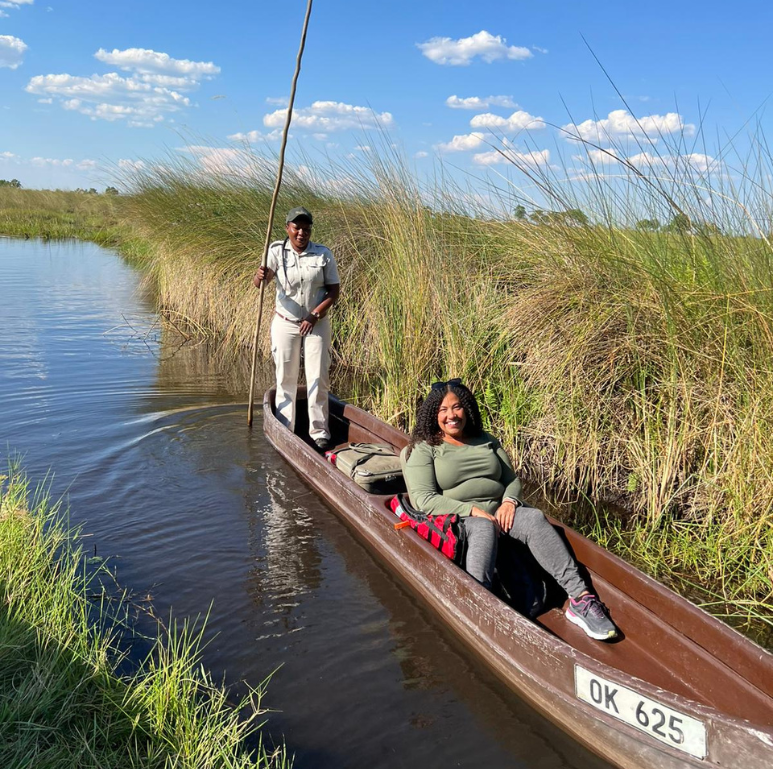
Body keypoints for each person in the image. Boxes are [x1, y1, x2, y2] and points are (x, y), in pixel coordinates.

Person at [402, 379, 617, 641]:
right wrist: (471, 511)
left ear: (467, 408)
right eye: (443, 410)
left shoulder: (486, 441)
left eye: (457, 407)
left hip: (500, 510)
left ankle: (581, 600)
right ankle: (477, 602)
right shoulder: (425, 449)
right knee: (482, 528)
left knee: (535, 518)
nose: (451, 416)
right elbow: (424, 500)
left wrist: (509, 502)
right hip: (460, 518)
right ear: (433, 414)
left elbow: (512, 481)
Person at [254, 207, 340, 450]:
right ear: (288, 229)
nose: (302, 232)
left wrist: (314, 315)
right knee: (285, 376)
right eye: (297, 227)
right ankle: (284, 427)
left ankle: (320, 431)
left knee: (318, 376)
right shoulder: (275, 251)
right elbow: (260, 282)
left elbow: (334, 291)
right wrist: (260, 275)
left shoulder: (322, 254)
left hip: (316, 323)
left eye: (306, 228)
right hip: (286, 323)